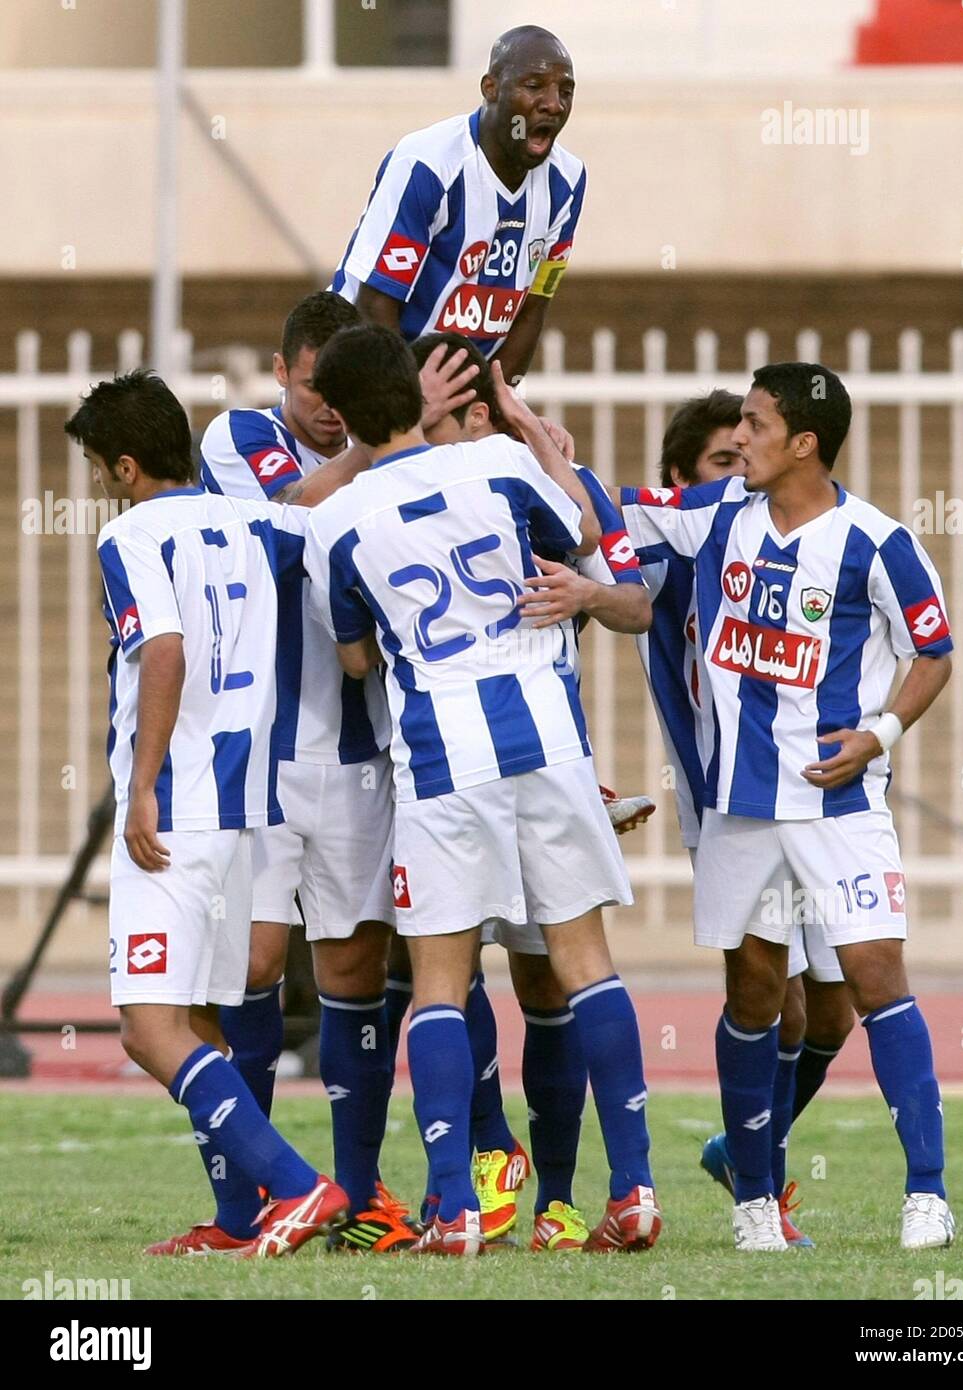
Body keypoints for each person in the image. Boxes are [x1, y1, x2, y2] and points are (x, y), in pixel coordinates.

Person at [305, 324, 661, 1256]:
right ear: (420, 392)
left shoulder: (335, 521)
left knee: (437, 984)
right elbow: (584, 532)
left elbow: (351, 660)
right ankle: (634, 1189)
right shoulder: (501, 464)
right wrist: (530, 432)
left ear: (338, 415)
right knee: (586, 961)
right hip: (547, 735)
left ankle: (456, 1207)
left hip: (440, 757)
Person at [620, 362, 955, 1252]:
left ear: (803, 443)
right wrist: (525, 429)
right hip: (740, 807)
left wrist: (877, 735)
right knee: (756, 991)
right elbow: (603, 502)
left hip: (838, 804)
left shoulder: (875, 542)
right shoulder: (718, 515)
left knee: (875, 975)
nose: (743, 443)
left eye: (758, 427)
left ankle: (928, 1193)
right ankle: (754, 1204)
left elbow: (934, 650)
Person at [68, 370, 352, 1258]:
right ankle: (237, 1221)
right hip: (246, 812)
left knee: (148, 1028)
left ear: (122, 467)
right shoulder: (250, 520)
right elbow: (316, 507)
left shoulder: (131, 537)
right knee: (203, 1022)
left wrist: (142, 783)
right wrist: (389, 429)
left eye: (92, 468)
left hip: (178, 811)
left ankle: (303, 1189)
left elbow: (164, 650)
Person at [408, 330, 651, 1250]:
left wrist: (585, 596)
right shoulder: (488, 481)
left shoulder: (521, 480)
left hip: (530, 762)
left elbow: (629, 596)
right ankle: (489, 1151)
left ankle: (555, 1194)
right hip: (469, 766)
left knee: (543, 982)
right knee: (449, 966)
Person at [199, 291, 430, 1251]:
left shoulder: (381, 458)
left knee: (354, 965)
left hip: (358, 752)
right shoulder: (238, 435)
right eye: (315, 389)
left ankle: (362, 1193)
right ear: (286, 369)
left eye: (347, 395)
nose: (331, 409)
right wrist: (375, 445)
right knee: (250, 965)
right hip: (260, 750)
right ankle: (243, 1205)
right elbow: (292, 513)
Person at [638, 391, 855, 1246]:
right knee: (774, 998)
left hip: (818, 797)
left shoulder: (790, 540)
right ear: (681, 482)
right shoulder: (670, 556)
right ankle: (756, 1195)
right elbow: (610, 578)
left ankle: (743, 1151)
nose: (742, 475)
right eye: (722, 463)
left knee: (832, 1012)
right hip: (731, 800)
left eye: (748, 455)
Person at [330, 25, 584, 382]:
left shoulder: (568, 182)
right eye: (533, 85)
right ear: (490, 88)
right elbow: (375, 306)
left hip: (453, 401)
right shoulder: (429, 164)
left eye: (566, 90)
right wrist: (411, 418)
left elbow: (534, 305)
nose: (554, 103)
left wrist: (491, 408)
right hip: (364, 378)